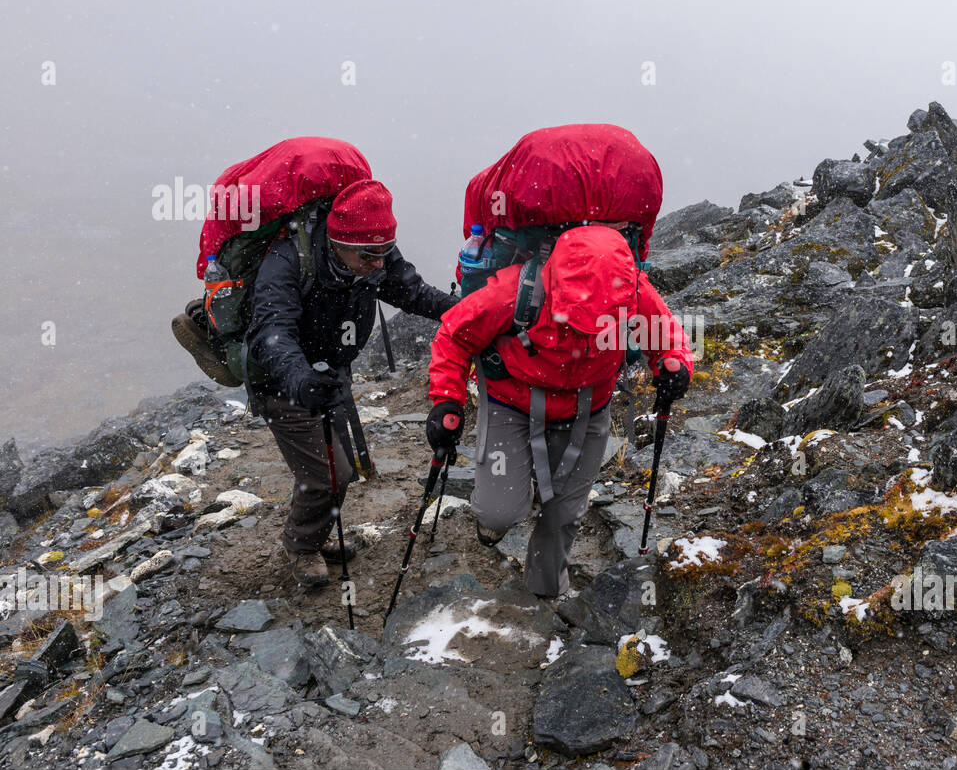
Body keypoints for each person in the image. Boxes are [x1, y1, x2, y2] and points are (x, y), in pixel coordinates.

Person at [424, 224, 693, 599]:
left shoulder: (631, 286)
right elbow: (454, 334)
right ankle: (509, 500)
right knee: (497, 513)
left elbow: (665, 333)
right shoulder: (515, 289)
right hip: (511, 402)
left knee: (563, 513)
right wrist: (446, 400)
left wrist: (673, 363)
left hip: (588, 408)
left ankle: (546, 593)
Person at [245, 178, 457, 586]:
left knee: (333, 465)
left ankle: (317, 534)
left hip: (328, 373)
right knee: (330, 473)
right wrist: (301, 380)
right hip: (281, 382)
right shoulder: (288, 260)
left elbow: (414, 294)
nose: (380, 263)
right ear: (335, 244)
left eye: (385, 252)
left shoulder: (372, 251)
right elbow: (272, 334)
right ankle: (301, 546)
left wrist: (467, 313)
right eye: (369, 256)